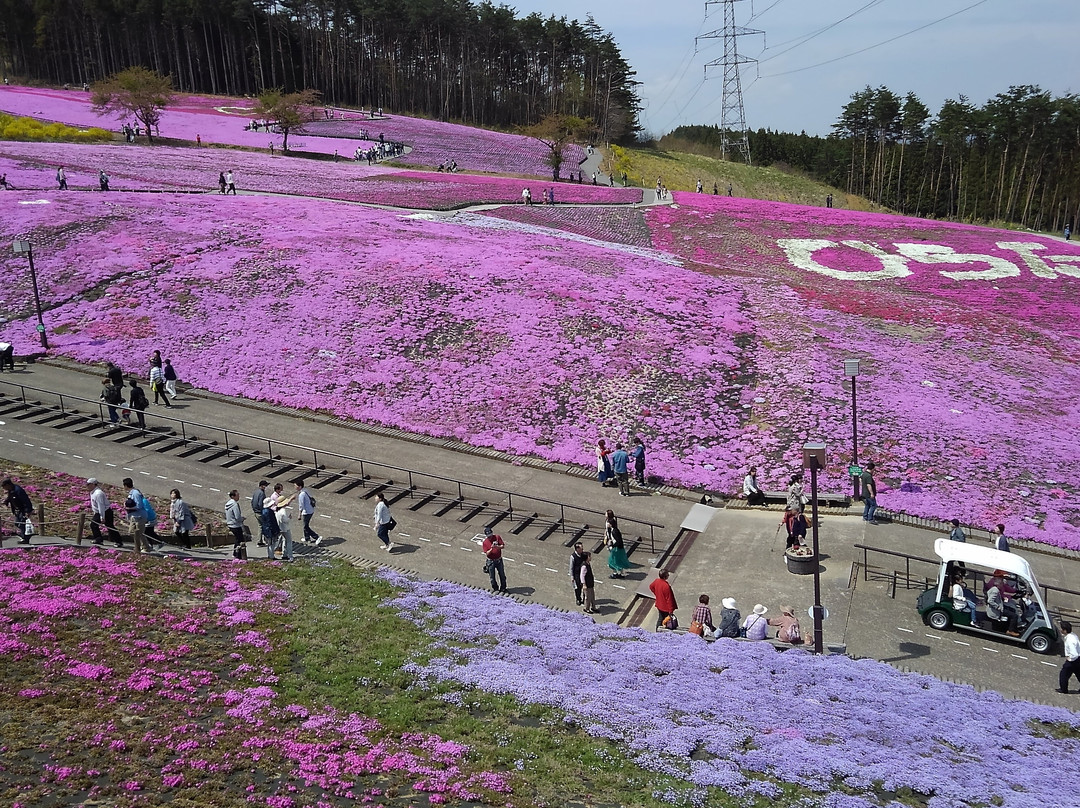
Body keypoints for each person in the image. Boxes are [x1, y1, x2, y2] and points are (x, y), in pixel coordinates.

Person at [122, 477, 158, 553]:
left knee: (138, 533)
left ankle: (141, 548)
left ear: (125, 485)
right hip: (134, 516)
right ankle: (144, 546)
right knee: (132, 532)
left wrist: (128, 507)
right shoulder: (131, 493)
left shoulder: (135, 493)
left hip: (140, 516)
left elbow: (139, 506)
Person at [87, 478, 123, 546]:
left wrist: (102, 516)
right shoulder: (93, 492)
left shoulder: (98, 493)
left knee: (107, 526)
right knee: (100, 525)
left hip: (105, 511)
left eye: (88, 484)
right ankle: (99, 539)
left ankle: (118, 541)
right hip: (100, 512)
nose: (87, 486)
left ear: (93, 484)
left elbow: (101, 505)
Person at [2, 478, 34, 544]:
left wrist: (27, 511)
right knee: (17, 523)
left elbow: (26, 501)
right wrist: (6, 502)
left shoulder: (18, 490)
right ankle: (24, 535)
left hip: (23, 510)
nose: (4, 488)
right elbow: (10, 497)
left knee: (22, 524)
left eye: (4, 486)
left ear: (8, 485)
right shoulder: (11, 490)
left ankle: (25, 538)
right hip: (17, 510)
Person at [605, 510, 631, 578]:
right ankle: (620, 573)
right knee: (618, 561)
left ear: (610, 524)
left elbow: (618, 541)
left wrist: (612, 545)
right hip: (619, 548)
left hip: (616, 548)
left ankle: (616, 573)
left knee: (611, 561)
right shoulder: (615, 530)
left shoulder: (614, 532)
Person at [295, 480, 321, 545]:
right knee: (305, 525)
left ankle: (316, 537)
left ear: (300, 486)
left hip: (307, 511)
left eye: (295, 486)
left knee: (305, 526)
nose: (295, 487)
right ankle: (307, 538)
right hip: (311, 509)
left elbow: (301, 505)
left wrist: (299, 514)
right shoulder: (306, 490)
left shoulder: (301, 494)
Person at [482, 527, 507, 592]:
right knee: (492, 577)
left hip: (499, 560)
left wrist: (497, 546)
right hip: (491, 561)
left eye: (490, 535)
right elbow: (487, 553)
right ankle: (495, 588)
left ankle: (503, 588)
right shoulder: (485, 542)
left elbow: (502, 546)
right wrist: (491, 548)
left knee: (502, 575)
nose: (490, 537)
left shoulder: (497, 537)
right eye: (488, 536)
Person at [1058, 621, 1080, 694]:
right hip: (1078, 659)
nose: (1060, 630)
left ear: (1065, 630)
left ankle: (1064, 689)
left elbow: (1074, 653)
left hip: (1073, 660)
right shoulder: (1073, 635)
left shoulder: (1069, 640)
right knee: (1078, 674)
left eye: (1062, 629)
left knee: (1064, 675)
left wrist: (1069, 659)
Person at [225, 490, 246, 559]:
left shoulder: (228, 504)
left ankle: (235, 553)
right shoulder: (234, 505)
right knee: (240, 540)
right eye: (237, 495)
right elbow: (237, 517)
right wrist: (241, 519)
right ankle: (238, 555)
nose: (238, 497)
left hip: (230, 524)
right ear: (233, 496)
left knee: (237, 539)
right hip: (236, 525)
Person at [251, 481, 269, 547]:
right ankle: (263, 540)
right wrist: (263, 511)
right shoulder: (262, 493)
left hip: (256, 512)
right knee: (264, 526)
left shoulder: (256, 492)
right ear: (262, 486)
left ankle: (260, 541)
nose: (266, 487)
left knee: (260, 526)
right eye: (265, 485)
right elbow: (261, 504)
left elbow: (252, 501)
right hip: (260, 512)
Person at [570, 542, 586, 606]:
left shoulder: (583, 554)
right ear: (577, 549)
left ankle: (585, 599)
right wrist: (572, 576)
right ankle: (578, 599)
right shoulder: (573, 557)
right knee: (578, 587)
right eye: (581, 548)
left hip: (583, 573)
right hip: (577, 574)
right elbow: (571, 567)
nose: (582, 549)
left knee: (584, 586)